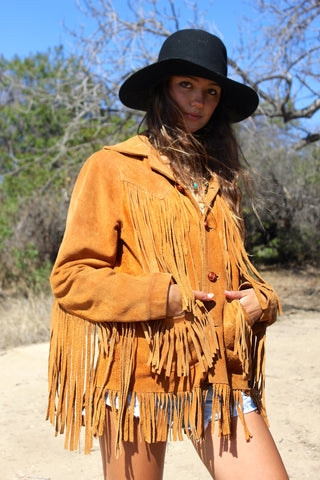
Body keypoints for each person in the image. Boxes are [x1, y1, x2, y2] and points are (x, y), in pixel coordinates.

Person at [47, 29, 289, 480]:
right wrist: (164, 297)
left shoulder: (221, 181)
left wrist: (262, 300)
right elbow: (72, 277)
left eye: (211, 92)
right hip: (139, 368)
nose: (199, 101)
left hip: (220, 369)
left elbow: (231, 273)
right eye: (186, 86)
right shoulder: (113, 166)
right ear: (162, 90)